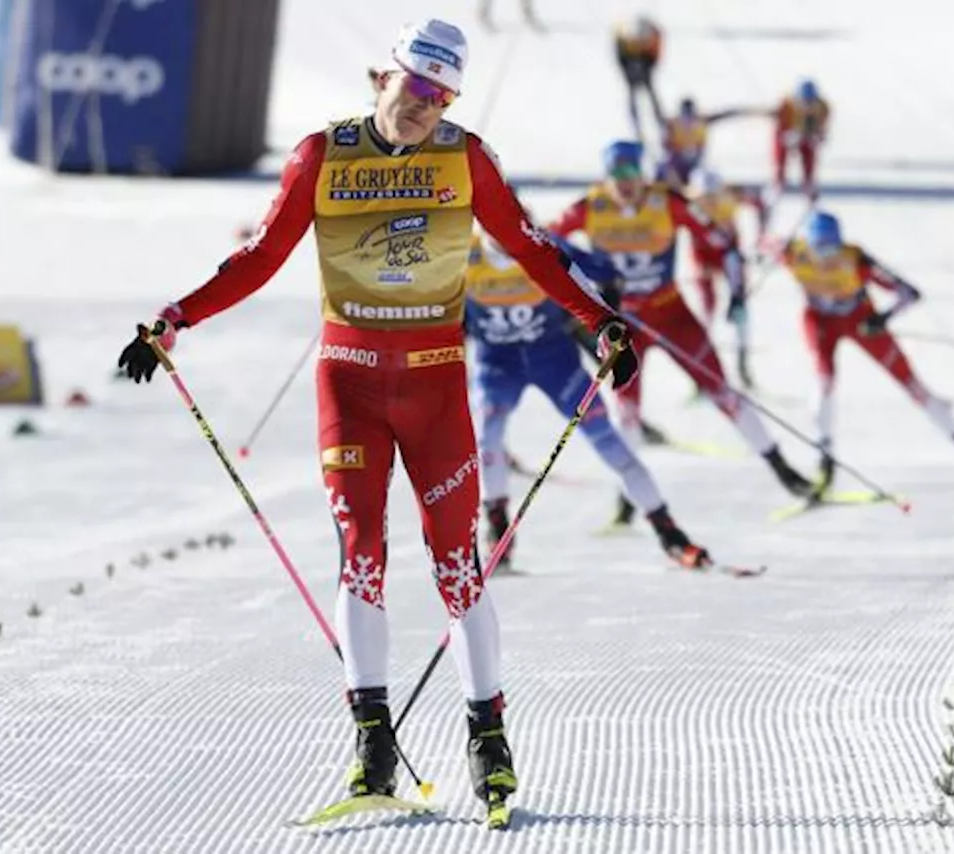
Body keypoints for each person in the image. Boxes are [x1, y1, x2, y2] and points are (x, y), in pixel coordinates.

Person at [115, 18, 639, 819]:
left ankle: (488, 741)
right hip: (349, 385)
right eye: (415, 86)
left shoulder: (466, 158)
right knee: (361, 555)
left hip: (434, 385)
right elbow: (259, 257)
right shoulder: (322, 156)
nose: (425, 106)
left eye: (441, 94)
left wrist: (596, 321)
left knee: (456, 568)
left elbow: (533, 249)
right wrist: (174, 319)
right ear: (382, 77)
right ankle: (371, 745)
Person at [546, 139, 815, 526]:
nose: (625, 183)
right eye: (617, 175)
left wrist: (737, 292)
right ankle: (628, 500)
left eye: (632, 174)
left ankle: (784, 471)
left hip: (670, 311)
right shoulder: (589, 208)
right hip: (623, 323)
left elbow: (723, 244)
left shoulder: (667, 202)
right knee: (627, 409)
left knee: (723, 391)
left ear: (644, 173)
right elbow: (542, 244)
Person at [465, 222, 712, 569]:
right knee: (486, 438)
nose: (505, 240)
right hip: (498, 363)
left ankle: (669, 533)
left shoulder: (540, 244)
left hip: (554, 361)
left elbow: (606, 274)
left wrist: (607, 327)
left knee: (608, 441)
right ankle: (498, 528)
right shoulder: (464, 251)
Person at [779, 210, 954, 491]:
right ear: (807, 245)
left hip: (859, 319)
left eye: (831, 250)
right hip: (820, 321)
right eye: (819, 250)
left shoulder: (857, 260)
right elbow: (757, 248)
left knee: (912, 384)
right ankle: (824, 461)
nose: (826, 260)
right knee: (823, 382)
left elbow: (909, 293)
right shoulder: (793, 253)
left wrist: (883, 319)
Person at [686, 167, 767, 386]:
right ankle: (701, 368)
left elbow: (761, 201)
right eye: (704, 196)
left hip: (729, 256)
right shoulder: (686, 199)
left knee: (739, 308)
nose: (710, 200)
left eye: (713, 194)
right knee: (706, 312)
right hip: (702, 257)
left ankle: (743, 363)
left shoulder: (732, 193)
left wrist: (760, 238)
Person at [657, 96, 757, 189]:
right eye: (686, 114)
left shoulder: (701, 121)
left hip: (697, 161)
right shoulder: (673, 124)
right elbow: (665, 144)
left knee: (704, 177)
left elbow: (722, 115)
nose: (689, 118)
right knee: (668, 170)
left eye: (690, 114)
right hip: (677, 161)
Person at [772, 79, 830, 200]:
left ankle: (808, 181)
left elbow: (823, 128)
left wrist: (818, 137)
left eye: (810, 102)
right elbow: (779, 129)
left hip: (807, 134)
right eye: (804, 102)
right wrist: (787, 136)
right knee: (780, 152)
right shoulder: (786, 106)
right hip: (789, 133)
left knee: (810, 151)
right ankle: (779, 180)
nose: (807, 106)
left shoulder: (822, 108)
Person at [613, 16, 665, 147]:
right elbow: (621, 58)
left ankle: (659, 122)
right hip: (635, 73)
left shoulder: (644, 54)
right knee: (636, 95)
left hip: (642, 71)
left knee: (650, 95)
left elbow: (654, 57)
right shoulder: (630, 50)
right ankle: (638, 125)